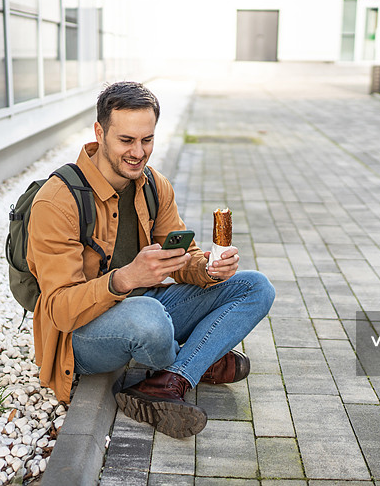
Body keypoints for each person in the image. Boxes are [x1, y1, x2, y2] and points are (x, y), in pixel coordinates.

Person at [26, 81, 275, 438]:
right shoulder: (58, 201)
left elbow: (183, 260)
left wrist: (207, 268)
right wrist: (125, 278)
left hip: (146, 306)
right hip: (82, 334)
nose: (138, 153)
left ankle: (169, 381)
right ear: (100, 132)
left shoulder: (154, 185)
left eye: (147, 140)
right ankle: (200, 357)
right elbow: (59, 310)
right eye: (126, 140)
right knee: (150, 319)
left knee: (255, 287)